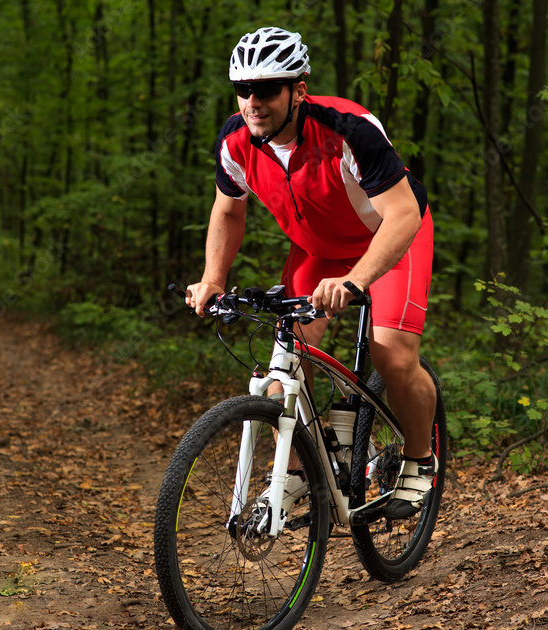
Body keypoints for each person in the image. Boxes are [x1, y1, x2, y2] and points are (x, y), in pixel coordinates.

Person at [185, 27, 437, 519]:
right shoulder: (236, 140)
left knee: (393, 358)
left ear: (298, 89)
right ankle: (303, 470)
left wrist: (357, 280)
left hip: (391, 238)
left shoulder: (349, 129)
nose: (252, 101)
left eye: (267, 88)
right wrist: (214, 278)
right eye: (243, 89)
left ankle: (419, 459)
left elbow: (403, 214)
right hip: (318, 252)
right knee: (285, 366)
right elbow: (228, 210)